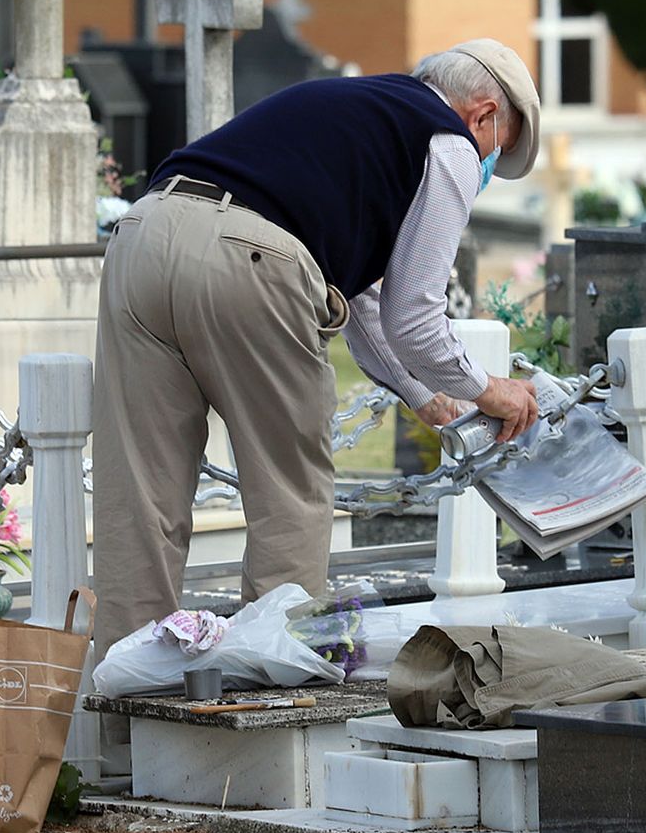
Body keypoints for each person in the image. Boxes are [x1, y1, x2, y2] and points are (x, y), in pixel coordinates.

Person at [92, 38, 543, 650]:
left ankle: (125, 693)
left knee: (139, 498)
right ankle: (272, 684)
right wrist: (491, 391)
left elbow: (363, 302)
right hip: (250, 259)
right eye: (497, 150)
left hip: (141, 235)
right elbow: (415, 317)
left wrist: (429, 399)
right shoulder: (450, 141)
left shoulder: (356, 110)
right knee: (289, 491)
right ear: (483, 115)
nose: (486, 165)